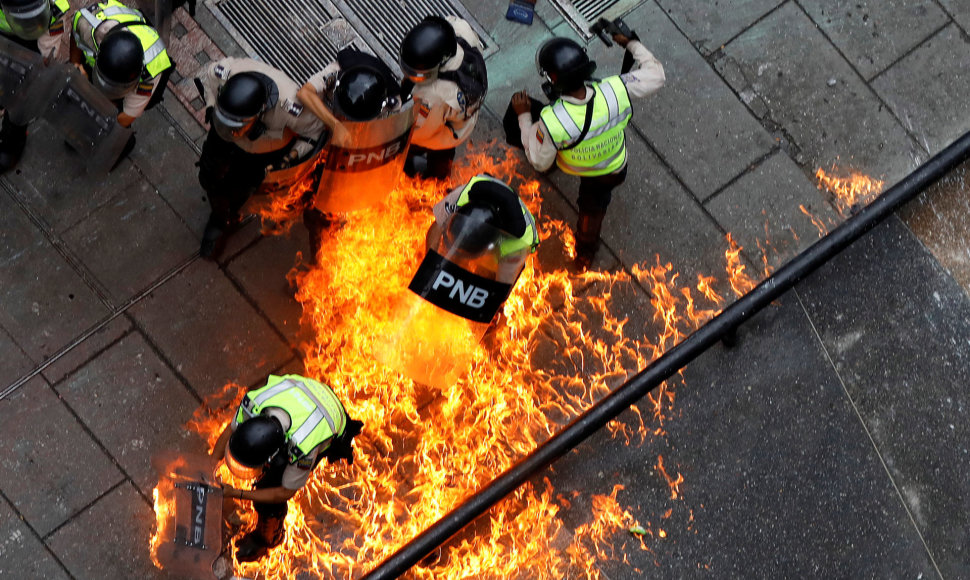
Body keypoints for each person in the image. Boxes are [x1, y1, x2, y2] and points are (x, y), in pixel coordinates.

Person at [511, 33, 664, 268]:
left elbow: (539, 162)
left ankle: (585, 253)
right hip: (615, 168)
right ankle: (585, 252)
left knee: (590, 215)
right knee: (594, 208)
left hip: (591, 175)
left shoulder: (554, 121)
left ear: (553, 79)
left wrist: (523, 115)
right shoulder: (615, 89)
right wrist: (631, 43)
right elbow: (656, 75)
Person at [211, 373, 364, 562]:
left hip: (330, 416)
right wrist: (207, 468)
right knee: (269, 475)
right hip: (304, 389)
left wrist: (238, 493)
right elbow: (230, 430)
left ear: (270, 456)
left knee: (270, 483)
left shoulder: (303, 445)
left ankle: (269, 537)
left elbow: (284, 492)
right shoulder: (254, 403)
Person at [196, 57, 326, 258]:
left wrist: (291, 157)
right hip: (221, 136)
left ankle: (227, 217)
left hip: (261, 153)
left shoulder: (289, 108)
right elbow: (208, 81)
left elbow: (315, 133)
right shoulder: (221, 73)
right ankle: (218, 214)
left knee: (242, 187)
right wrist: (212, 108)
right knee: (209, 175)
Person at [295, 47, 402, 263]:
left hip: (361, 148)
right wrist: (336, 125)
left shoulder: (392, 105)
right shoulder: (335, 74)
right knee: (316, 209)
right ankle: (317, 254)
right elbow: (304, 93)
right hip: (330, 130)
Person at [399, 15, 486, 180]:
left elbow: (421, 133)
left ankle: (428, 180)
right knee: (443, 162)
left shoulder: (432, 96)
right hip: (465, 114)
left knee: (411, 147)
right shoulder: (460, 29)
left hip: (449, 131)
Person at [70, 0, 172, 128]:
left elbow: (126, 118)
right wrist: (74, 64)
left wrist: (98, 122)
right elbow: (76, 34)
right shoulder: (87, 23)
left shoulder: (152, 69)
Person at [0, 0, 70, 172]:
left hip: (32, 40)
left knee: (24, 95)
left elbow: (47, 53)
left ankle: (13, 140)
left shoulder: (55, 8)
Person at [428, 173, 538, 282]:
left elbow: (498, 290)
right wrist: (429, 263)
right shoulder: (459, 199)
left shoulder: (517, 246)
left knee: (484, 275)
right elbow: (437, 226)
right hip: (481, 193)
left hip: (511, 242)